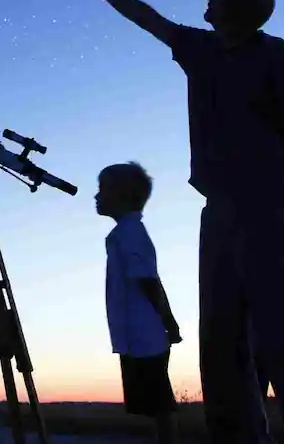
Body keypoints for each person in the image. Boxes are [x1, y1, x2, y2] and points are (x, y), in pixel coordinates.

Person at [68, 0, 284, 444]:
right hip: (220, 214)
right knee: (224, 349)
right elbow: (149, 19)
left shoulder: (277, 58)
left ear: (238, 9)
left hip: (271, 210)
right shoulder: (200, 49)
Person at [96, 161, 182, 444]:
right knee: (153, 404)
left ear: (122, 196)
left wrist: (167, 321)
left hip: (144, 332)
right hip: (139, 332)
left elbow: (148, 280)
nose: (97, 196)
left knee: (158, 404)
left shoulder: (129, 234)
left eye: (103, 189)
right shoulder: (124, 234)